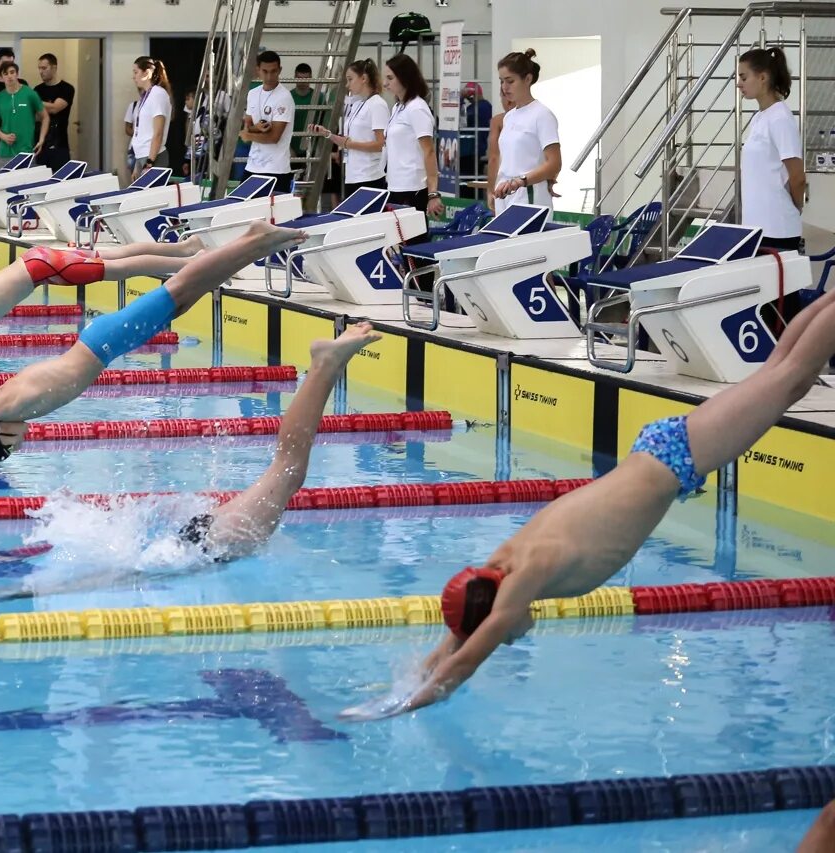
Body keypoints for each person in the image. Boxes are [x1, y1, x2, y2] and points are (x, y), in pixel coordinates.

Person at [341, 286, 835, 719]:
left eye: (497, 628)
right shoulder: (501, 569)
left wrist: (407, 705)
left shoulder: (527, 571)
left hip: (676, 458)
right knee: (780, 375)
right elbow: (458, 640)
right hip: (661, 454)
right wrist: (398, 687)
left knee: (789, 376)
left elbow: (470, 654)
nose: (510, 637)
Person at [0, 321, 383, 609]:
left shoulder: (131, 574)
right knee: (286, 473)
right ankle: (326, 367)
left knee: (287, 472)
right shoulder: (134, 571)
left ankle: (325, 366)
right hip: (198, 543)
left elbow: (77, 585)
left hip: (205, 545)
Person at [0, 220, 307, 471]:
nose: (19, 445)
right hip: (101, 343)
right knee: (183, 296)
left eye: (10, 447)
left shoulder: (3, 409)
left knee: (180, 290)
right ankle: (251, 247)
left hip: (103, 344)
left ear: (1, 435)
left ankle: (254, 241)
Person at [0, 235, 208, 412]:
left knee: (120, 269)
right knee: (111, 256)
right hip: (36, 263)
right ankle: (184, 248)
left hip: (45, 269)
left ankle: (191, 260)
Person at [738, 47, 805, 252]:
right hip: (757, 228)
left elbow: (798, 176)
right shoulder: (760, 117)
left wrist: (796, 207)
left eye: (743, 76)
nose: (739, 83)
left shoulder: (780, 118)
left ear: (763, 77)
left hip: (778, 229)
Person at [491, 50, 561, 215]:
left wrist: (521, 181)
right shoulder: (509, 117)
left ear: (528, 79)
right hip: (505, 193)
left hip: (528, 195)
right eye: (502, 81)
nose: (504, 87)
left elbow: (554, 164)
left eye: (510, 81)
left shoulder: (542, 115)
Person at [311, 58, 390, 194]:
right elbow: (348, 141)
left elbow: (380, 144)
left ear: (363, 78)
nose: (347, 85)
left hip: (369, 177)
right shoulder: (358, 104)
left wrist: (350, 144)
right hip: (353, 176)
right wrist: (328, 134)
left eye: (350, 79)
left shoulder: (377, 104)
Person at [383, 54, 443, 224]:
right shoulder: (398, 107)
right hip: (395, 185)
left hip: (413, 187)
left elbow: (429, 151)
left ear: (404, 78)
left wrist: (433, 193)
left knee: (413, 242)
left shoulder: (417, 109)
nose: (385, 83)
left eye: (390, 78)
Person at [240, 50, 296, 191]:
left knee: (273, 212)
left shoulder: (284, 97)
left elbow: (274, 137)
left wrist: (249, 135)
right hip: (253, 165)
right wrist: (255, 128)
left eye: (273, 71)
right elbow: (247, 125)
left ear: (280, 70)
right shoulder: (253, 94)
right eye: (265, 71)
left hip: (276, 169)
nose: (270, 76)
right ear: (258, 70)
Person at [0, 61, 48, 160]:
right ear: (2, 77)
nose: (9, 76)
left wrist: (41, 139)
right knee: (4, 175)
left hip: (26, 151)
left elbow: (45, 117)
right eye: (5, 74)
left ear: (17, 74)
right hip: (5, 152)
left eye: (12, 72)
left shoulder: (30, 94)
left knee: (27, 176)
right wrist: (3, 136)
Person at [130, 56, 174, 181]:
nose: (133, 77)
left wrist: (150, 162)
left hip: (153, 157)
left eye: (136, 72)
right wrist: (137, 165)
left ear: (147, 73)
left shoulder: (158, 94)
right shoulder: (146, 95)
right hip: (141, 155)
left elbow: (158, 133)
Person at [34, 53, 75, 171]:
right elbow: (35, 114)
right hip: (40, 144)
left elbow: (55, 108)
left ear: (54, 68)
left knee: (60, 181)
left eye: (44, 68)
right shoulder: (37, 90)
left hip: (59, 144)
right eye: (39, 68)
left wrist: (33, 100)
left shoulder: (66, 88)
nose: (41, 72)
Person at [459, 82, 493, 200]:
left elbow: (466, 120)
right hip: (466, 151)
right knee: (465, 186)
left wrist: (461, 98)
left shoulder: (483, 107)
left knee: (470, 186)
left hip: (472, 151)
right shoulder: (472, 108)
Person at [123, 90, 140, 176]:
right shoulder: (134, 105)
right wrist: (139, 133)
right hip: (134, 149)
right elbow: (127, 129)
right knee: (135, 179)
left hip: (149, 149)